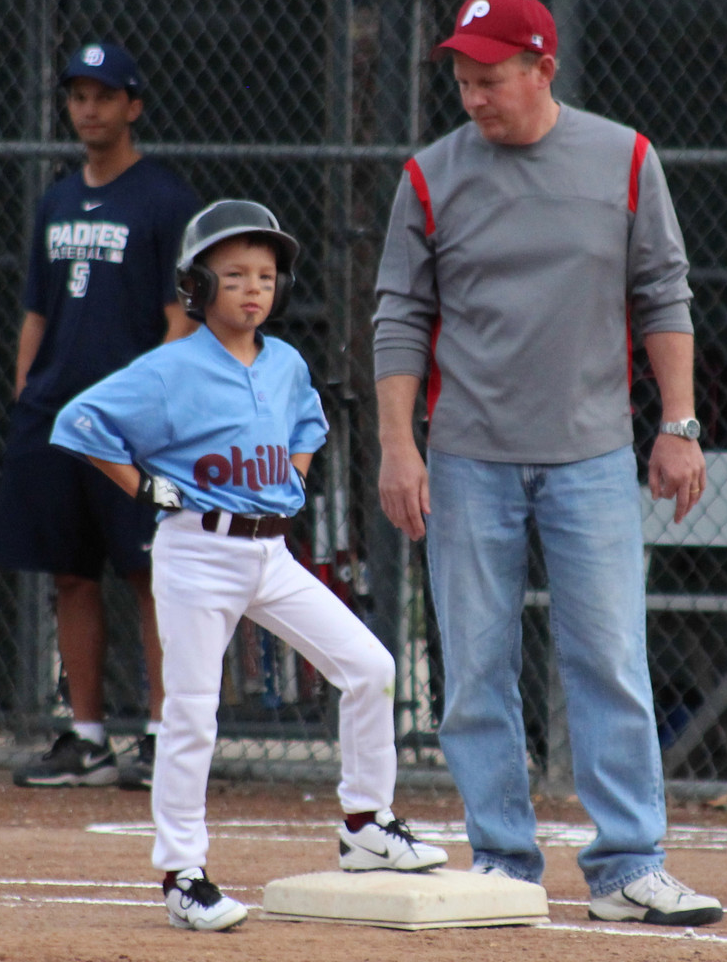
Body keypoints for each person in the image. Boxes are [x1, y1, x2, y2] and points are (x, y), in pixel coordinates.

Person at [372, 0, 723, 926]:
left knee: (610, 659)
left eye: (490, 78)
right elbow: (399, 315)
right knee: (475, 669)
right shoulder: (430, 174)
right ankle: (502, 863)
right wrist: (399, 447)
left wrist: (679, 424)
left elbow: (664, 292)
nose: (473, 97)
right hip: (467, 457)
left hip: (592, 455)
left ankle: (628, 867)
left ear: (543, 69)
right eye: (462, 79)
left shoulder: (625, 157)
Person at [51, 199, 447, 931]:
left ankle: (366, 824)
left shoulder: (286, 362)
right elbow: (80, 422)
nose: (253, 289)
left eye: (265, 276)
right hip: (198, 552)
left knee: (370, 667)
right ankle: (183, 874)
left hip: (271, 552)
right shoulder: (172, 366)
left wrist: (291, 476)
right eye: (233, 276)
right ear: (197, 287)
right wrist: (145, 487)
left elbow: (309, 424)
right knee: (191, 714)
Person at [0, 42, 200, 789]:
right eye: (78, 96)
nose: (88, 109)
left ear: (132, 106)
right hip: (56, 417)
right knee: (71, 576)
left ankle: (164, 737)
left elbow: (181, 318)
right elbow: (37, 311)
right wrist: (28, 393)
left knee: (151, 573)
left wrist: (145, 405)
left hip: (132, 427)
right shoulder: (55, 200)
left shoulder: (165, 199)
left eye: (104, 96)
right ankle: (86, 739)